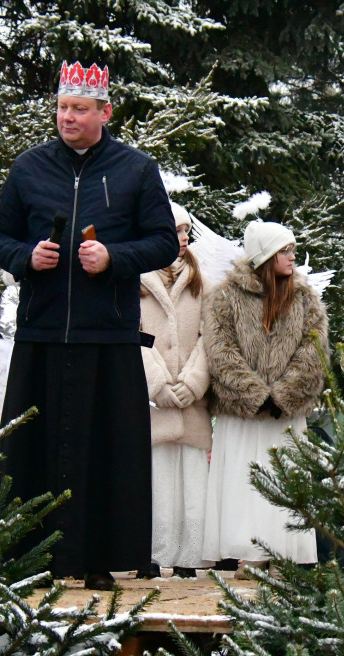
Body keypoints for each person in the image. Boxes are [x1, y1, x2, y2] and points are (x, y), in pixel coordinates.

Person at [0, 60, 178, 591]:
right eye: (62, 107)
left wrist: (115, 257)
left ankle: (100, 559)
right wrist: (25, 257)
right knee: (32, 452)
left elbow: (164, 241)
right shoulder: (29, 168)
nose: (67, 117)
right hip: (42, 333)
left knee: (106, 453)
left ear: (105, 112)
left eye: (79, 109)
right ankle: (29, 557)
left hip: (107, 334)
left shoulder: (136, 169)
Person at [202, 221, 328, 577]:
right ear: (265, 255)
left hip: (284, 415)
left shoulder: (305, 298)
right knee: (244, 481)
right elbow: (220, 350)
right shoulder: (226, 297)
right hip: (243, 413)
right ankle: (252, 556)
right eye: (284, 250)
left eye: (292, 249)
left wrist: (284, 394)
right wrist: (254, 394)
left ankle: (283, 557)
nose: (292, 256)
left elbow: (314, 350)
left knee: (284, 479)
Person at [139, 202, 213, 579]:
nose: (183, 238)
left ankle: (192, 556)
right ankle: (156, 553)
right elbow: (135, 338)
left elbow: (210, 337)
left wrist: (192, 382)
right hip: (154, 404)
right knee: (158, 479)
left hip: (192, 402)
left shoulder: (202, 281)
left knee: (194, 479)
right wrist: (159, 384)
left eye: (186, 231)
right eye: (175, 231)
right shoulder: (135, 281)